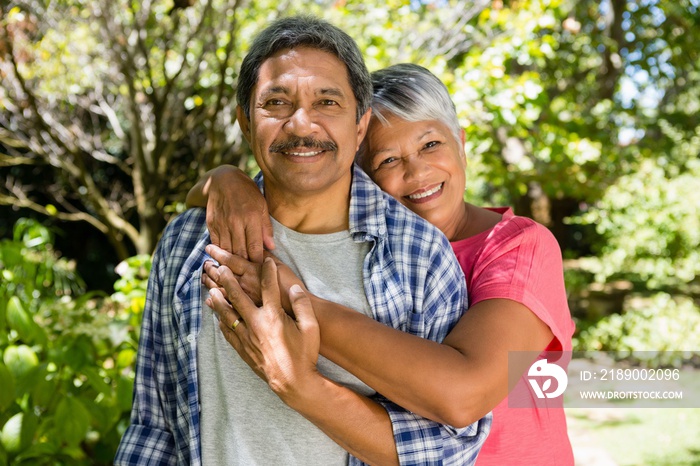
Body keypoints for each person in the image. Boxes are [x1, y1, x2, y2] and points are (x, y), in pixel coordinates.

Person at [116, 16, 490, 466]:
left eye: (327, 101)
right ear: (246, 122)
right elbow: (153, 425)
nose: (301, 123)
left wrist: (299, 377)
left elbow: (451, 448)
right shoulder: (189, 239)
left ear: (359, 124)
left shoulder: (420, 256)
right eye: (276, 101)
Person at [193, 63, 576, 465]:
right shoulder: (369, 255)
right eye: (388, 160)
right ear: (359, 177)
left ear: (461, 143)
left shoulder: (518, 247)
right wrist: (224, 179)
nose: (416, 171)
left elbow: (463, 395)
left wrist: (293, 300)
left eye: (431, 145)